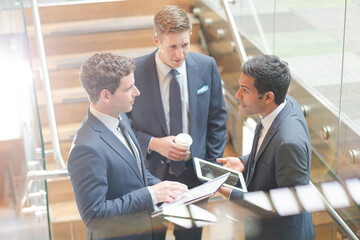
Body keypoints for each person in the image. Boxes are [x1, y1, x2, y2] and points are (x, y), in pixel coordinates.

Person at [129, 5, 227, 240]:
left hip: (195, 178)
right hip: (151, 177)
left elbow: (217, 120)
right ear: (156, 39)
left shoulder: (207, 67)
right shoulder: (134, 72)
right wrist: (153, 143)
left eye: (185, 45)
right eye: (173, 46)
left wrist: (208, 167)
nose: (180, 54)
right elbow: (123, 126)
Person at [67, 52, 188, 240]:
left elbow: (135, 172)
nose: (137, 92)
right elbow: (94, 215)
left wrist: (165, 189)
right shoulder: (86, 148)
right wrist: (150, 195)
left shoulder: (120, 115)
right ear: (106, 96)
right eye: (129, 88)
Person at [217, 55, 316, 240]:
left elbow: (289, 204)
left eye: (245, 90)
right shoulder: (285, 103)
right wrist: (243, 161)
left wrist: (231, 194)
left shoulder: (289, 143)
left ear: (269, 96)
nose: (238, 95)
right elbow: (269, 149)